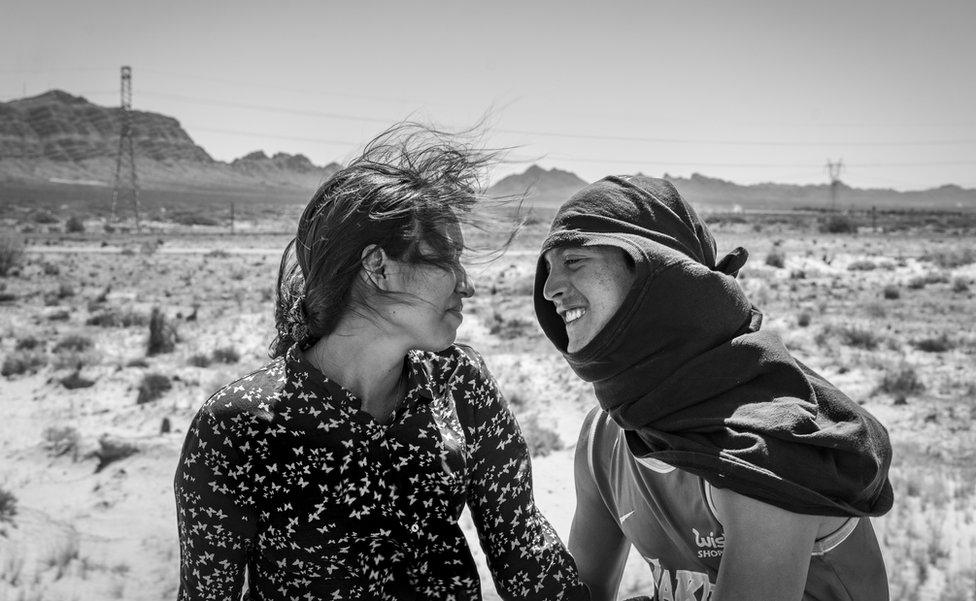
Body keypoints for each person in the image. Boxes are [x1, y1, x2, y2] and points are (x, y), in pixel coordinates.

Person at [174, 125, 589, 601]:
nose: (466, 284)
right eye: (446, 259)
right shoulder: (239, 427)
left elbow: (522, 550)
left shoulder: (460, 383)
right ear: (377, 266)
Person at [532, 175, 892, 601]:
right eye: (548, 269)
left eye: (574, 261)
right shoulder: (604, 437)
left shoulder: (763, 443)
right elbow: (584, 591)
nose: (550, 289)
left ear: (658, 273)